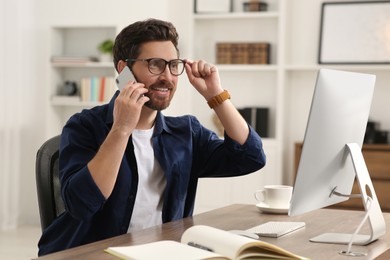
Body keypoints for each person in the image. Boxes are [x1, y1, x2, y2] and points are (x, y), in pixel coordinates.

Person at [38, 18, 266, 256]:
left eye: (173, 65)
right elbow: (81, 205)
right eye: (155, 64)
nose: (167, 76)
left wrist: (215, 94)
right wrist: (121, 129)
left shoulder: (186, 133)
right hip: (86, 254)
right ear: (123, 70)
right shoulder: (84, 126)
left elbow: (251, 157)